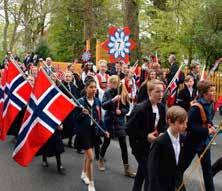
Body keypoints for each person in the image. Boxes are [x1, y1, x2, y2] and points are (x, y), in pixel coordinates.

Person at [126, 79, 167, 191]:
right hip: (140, 147)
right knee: (150, 176)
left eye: (162, 91)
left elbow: (163, 125)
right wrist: (146, 136)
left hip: (153, 146)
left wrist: (162, 132)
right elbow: (129, 129)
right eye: (157, 92)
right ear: (149, 92)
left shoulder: (162, 107)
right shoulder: (141, 108)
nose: (161, 95)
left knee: (142, 173)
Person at [181, 80, 217, 191]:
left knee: (207, 171)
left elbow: (207, 120)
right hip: (192, 143)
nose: (213, 93)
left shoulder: (211, 104)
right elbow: (189, 126)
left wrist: (211, 126)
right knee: (180, 168)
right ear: (204, 93)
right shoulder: (196, 107)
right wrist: (206, 131)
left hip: (204, 143)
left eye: (214, 91)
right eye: (211, 91)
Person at [74, 78, 109, 191]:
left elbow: (100, 119)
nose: (94, 89)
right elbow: (74, 119)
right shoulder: (80, 102)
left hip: (94, 132)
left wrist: (104, 130)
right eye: (91, 87)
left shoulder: (98, 101)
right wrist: (83, 114)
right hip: (83, 133)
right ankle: (91, 184)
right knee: (91, 157)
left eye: (95, 87)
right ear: (86, 88)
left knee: (87, 157)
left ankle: (84, 173)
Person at [98, 75, 135, 177]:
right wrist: (113, 100)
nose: (109, 85)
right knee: (106, 142)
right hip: (109, 122)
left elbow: (127, 108)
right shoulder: (107, 93)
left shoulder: (123, 93)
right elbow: (104, 105)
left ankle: (126, 168)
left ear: (116, 84)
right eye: (109, 83)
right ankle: (101, 159)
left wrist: (121, 111)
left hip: (119, 123)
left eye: (111, 83)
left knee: (123, 145)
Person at [148, 106, 188, 191]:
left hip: (176, 184)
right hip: (161, 186)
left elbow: (178, 166)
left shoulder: (182, 139)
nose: (185, 126)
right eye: (181, 123)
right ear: (170, 122)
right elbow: (153, 170)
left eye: (186, 123)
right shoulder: (160, 142)